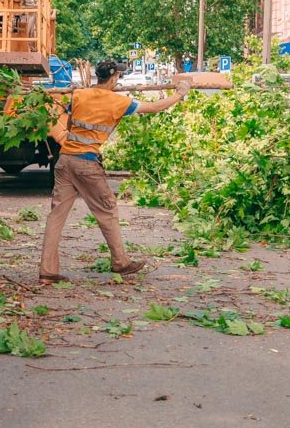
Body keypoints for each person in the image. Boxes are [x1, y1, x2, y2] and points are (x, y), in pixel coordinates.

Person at [38, 60, 191, 285]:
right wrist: (180, 94)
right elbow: (154, 107)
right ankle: (120, 261)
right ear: (113, 78)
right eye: (118, 76)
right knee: (107, 209)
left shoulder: (79, 95)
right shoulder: (118, 102)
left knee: (56, 215)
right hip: (86, 164)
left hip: (65, 160)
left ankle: (47, 272)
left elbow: (69, 125)